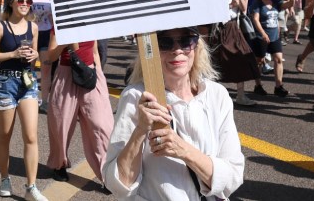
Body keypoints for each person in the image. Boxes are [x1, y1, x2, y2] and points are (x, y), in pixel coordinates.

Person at [103, 27, 245, 200]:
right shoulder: (135, 97)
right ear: (151, 50)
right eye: (165, 42)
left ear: (197, 45)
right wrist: (140, 130)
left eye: (186, 40)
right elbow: (118, 185)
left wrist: (184, 150)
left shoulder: (217, 95)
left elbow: (232, 176)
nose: (177, 50)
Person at [0, 0, 47, 201]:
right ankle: (4, 178)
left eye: (28, 1)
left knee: (31, 136)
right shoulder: (1, 27)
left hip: (28, 82)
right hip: (5, 82)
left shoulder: (34, 27)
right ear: (11, 2)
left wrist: (34, 55)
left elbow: (36, 54)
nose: (25, 4)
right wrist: (12, 53)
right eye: (21, 0)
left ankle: (31, 187)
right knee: (5, 136)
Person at [41, 30, 114, 185]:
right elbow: (50, 57)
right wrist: (65, 44)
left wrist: (100, 77)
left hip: (89, 73)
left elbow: (94, 52)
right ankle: (59, 164)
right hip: (66, 74)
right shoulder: (60, 26)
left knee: (101, 125)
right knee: (61, 124)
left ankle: (107, 173)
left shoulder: (90, 24)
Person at [246, 0, 293, 98]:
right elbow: (255, 19)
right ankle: (258, 85)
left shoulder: (275, 2)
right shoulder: (257, 4)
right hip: (260, 37)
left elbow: (289, 4)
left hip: (274, 36)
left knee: (278, 59)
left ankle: (279, 86)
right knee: (259, 61)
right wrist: (263, 33)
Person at [30, 0, 54, 113]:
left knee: (45, 70)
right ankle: (29, 97)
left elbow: (52, 21)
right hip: (31, 35)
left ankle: (45, 101)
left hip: (45, 36)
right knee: (30, 67)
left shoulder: (50, 3)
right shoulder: (27, 1)